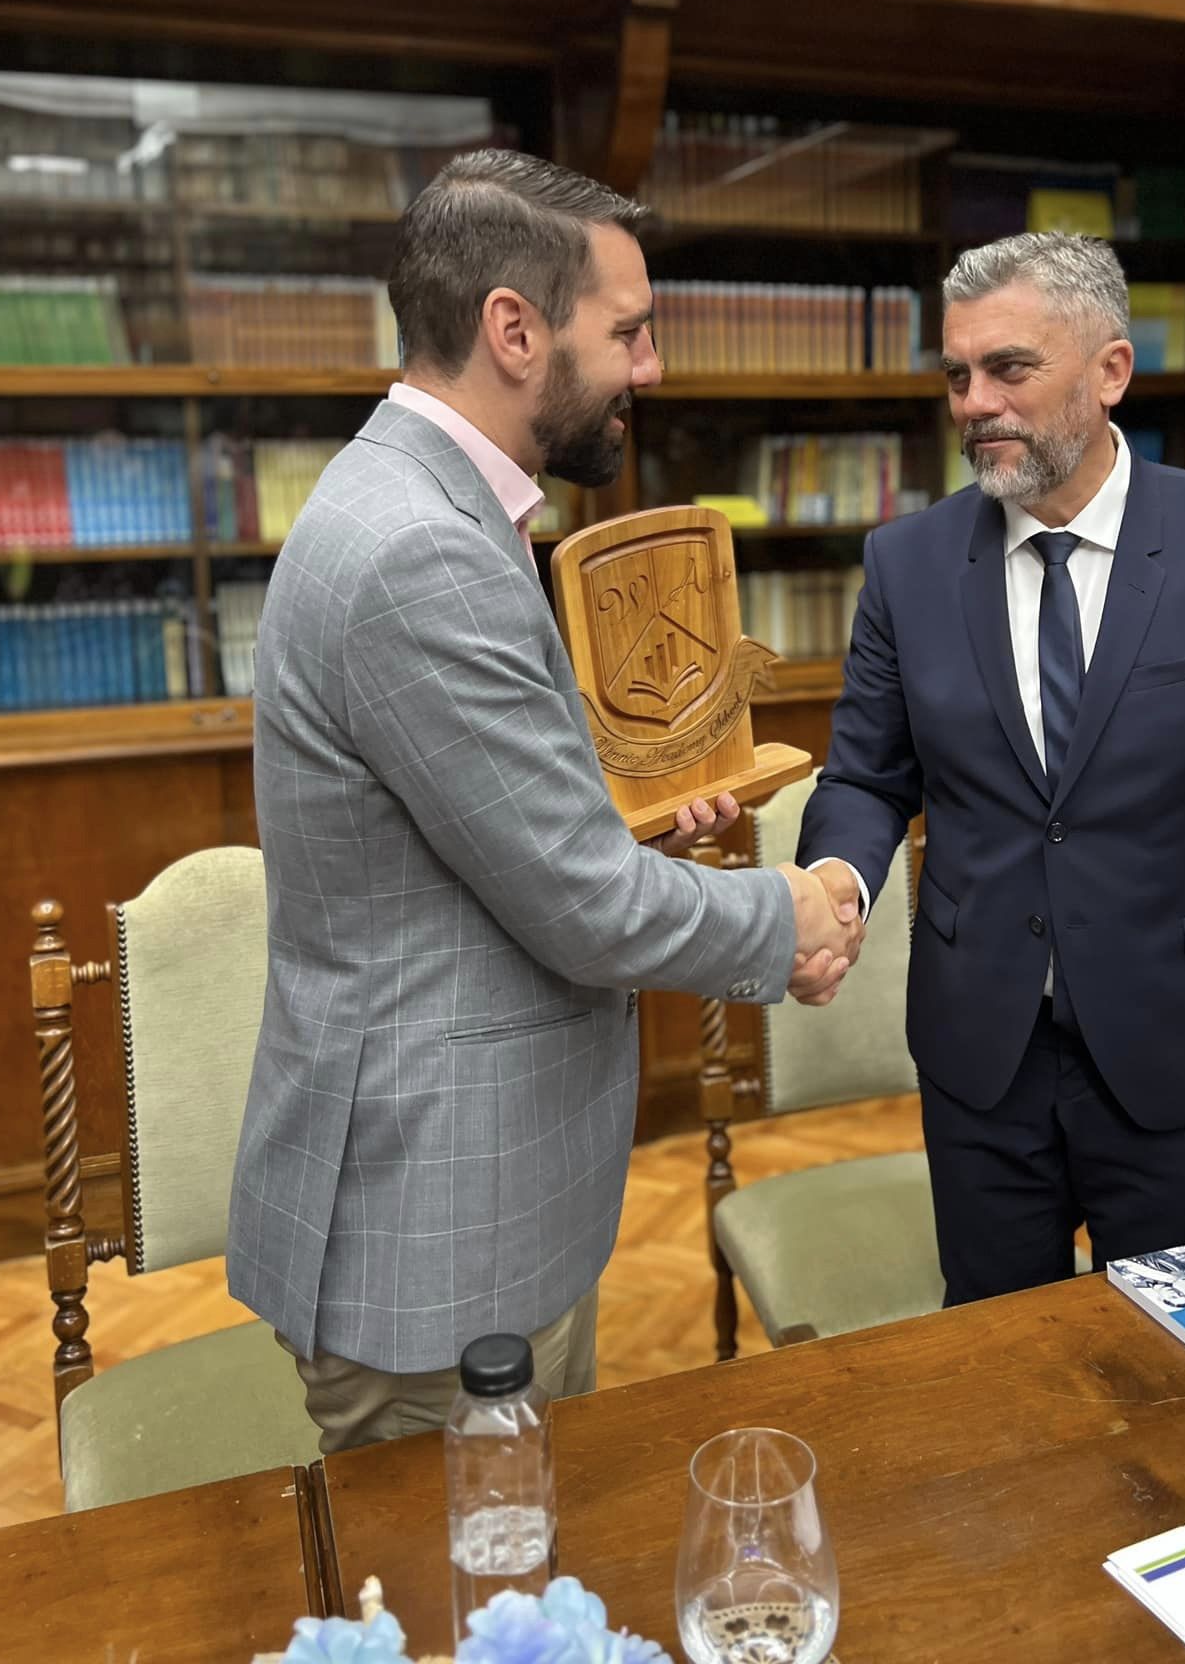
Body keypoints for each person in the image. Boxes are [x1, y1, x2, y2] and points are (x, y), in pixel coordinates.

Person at [228, 149, 860, 1451]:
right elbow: (582, 906)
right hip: (433, 1237)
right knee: (474, 1575)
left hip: (482, 1202)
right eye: (628, 332)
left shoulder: (433, 504)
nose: (651, 367)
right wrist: (786, 916)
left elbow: (488, 833)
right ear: (514, 330)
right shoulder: (421, 548)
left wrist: (639, 811)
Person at [798, 231, 1185, 1302]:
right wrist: (835, 881)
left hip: (1184, 1050)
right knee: (998, 1353)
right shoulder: (905, 563)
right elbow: (867, 777)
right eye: (958, 376)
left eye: (1009, 368)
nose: (976, 403)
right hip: (981, 1054)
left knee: (1181, 1365)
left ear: (1111, 370)